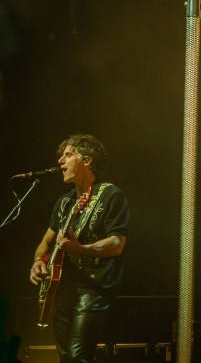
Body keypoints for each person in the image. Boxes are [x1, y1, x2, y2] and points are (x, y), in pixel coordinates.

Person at [28, 134, 130, 363]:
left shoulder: (111, 195)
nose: (60, 161)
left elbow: (116, 244)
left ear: (87, 160)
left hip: (93, 289)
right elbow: (45, 243)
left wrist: (79, 248)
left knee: (77, 356)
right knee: (65, 357)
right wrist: (37, 262)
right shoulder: (64, 203)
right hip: (62, 290)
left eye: (68, 154)